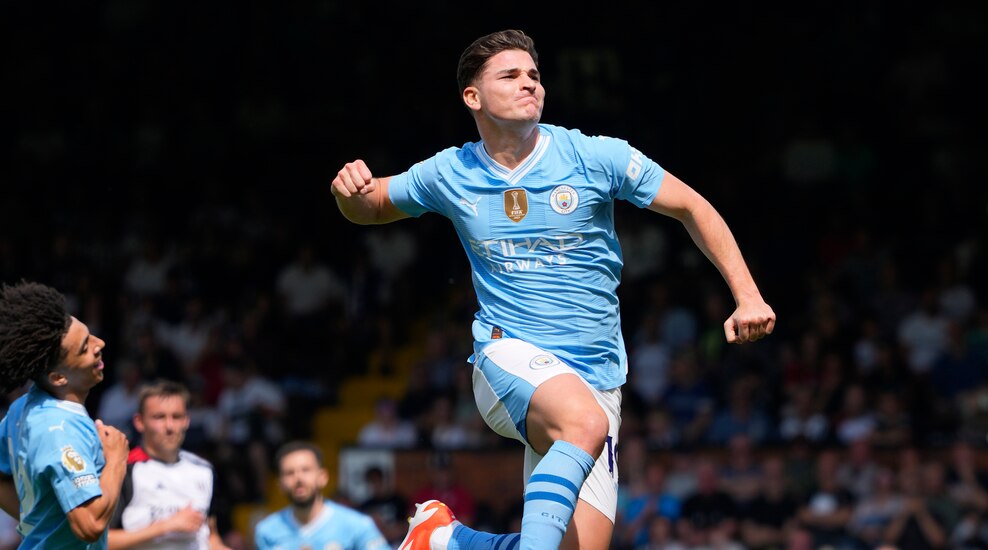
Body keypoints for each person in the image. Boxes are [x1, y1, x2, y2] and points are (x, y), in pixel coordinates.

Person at [330, 28, 776, 550]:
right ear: (472, 97)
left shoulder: (596, 156)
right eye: (511, 75)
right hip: (509, 356)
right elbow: (374, 204)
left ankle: (446, 539)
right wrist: (350, 194)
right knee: (580, 422)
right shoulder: (451, 171)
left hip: (599, 377)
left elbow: (692, 206)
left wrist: (748, 295)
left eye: (535, 76)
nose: (530, 85)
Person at [0, 280, 129, 548]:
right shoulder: (62, 429)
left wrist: (40, 528)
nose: (99, 343)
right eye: (84, 347)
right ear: (57, 377)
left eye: (90, 335)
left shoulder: (22, 408)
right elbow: (89, 525)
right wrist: (116, 459)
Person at [108, 380, 230, 549]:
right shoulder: (124, 469)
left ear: (187, 420)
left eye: (177, 416)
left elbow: (211, 537)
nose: (169, 426)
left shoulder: (204, 469)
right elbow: (101, 541)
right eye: (159, 417)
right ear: (139, 422)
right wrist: (167, 526)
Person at [254, 441, 389, 550]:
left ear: (323, 477)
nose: (298, 478)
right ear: (280, 484)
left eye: (305, 470)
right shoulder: (266, 531)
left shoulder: (357, 525)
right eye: (290, 473)